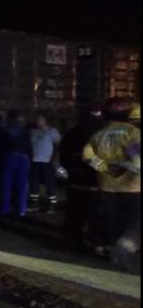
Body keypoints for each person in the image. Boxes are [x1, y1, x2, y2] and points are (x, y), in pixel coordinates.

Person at [82, 97, 141, 265]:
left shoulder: (98, 135)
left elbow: (87, 157)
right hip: (132, 187)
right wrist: (130, 172)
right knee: (131, 220)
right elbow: (137, 158)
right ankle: (123, 247)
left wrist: (107, 169)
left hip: (106, 184)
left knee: (111, 218)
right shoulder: (132, 133)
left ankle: (108, 247)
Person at [61, 105, 106, 248]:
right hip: (95, 183)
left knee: (75, 214)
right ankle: (95, 242)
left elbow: (64, 155)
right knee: (94, 216)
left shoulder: (72, 133)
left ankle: (73, 239)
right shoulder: (104, 134)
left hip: (79, 181)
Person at [0, 110, 31, 217]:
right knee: (22, 186)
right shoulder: (24, 131)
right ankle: (22, 210)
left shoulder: (5, 130)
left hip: (9, 157)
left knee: (6, 185)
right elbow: (29, 147)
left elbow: (1, 146)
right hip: (23, 158)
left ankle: (5, 209)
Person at [28, 114, 61, 213]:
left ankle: (52, 205)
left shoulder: (51, 131)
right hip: (34, 162)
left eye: (40, 120)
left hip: (47, 163)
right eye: (37, 120)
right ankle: (34, 204)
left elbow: (59, 145)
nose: (38, 122)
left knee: (50, 185)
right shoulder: (32, 132)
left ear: (45, 121)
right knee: (34, 185)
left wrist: (55, 159)